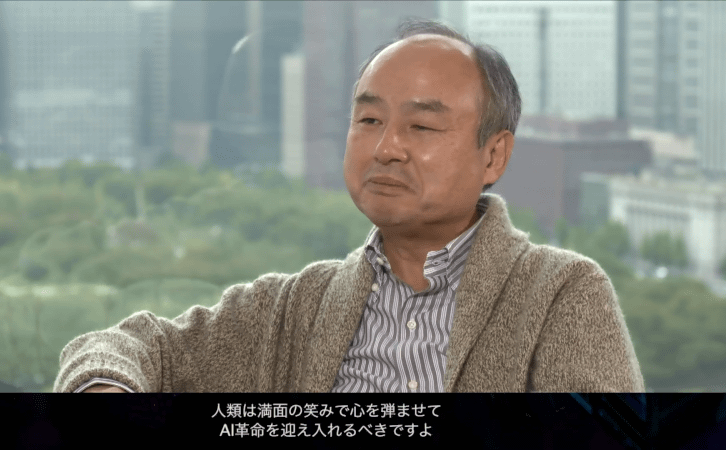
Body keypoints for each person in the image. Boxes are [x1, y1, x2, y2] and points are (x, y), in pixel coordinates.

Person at [54, 19, 644, 393]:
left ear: (494, 155)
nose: (386, 147)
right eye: (368, 120)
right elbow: (134, 346)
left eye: (421, 125)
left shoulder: (560, 294)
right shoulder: (295, 306)